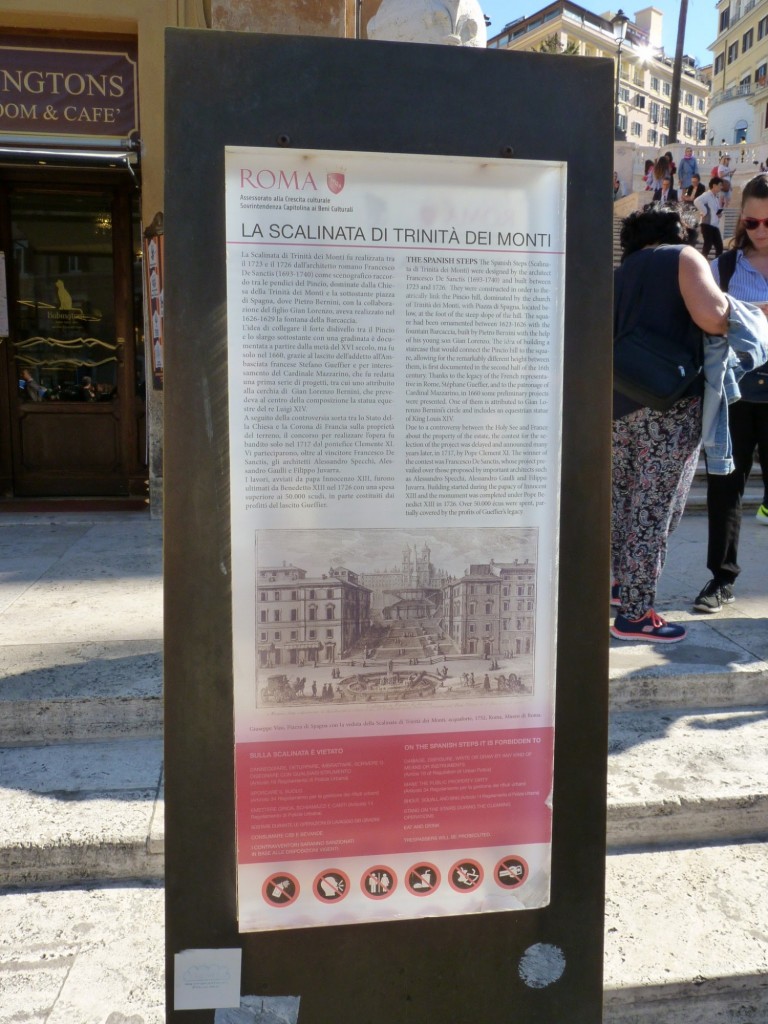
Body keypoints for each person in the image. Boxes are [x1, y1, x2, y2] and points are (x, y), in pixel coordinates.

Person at [611, 205, 729, 643]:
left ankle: (623, 590)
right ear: (678, 231)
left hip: (616, 404)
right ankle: (636, 616)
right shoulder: (682, 256)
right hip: (669, 406)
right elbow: (714, 316)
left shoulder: (619, 274)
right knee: (654, 509)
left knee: (623, 503)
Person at [694, 173, 768, 612]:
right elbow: (705, 318)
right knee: (725, 489)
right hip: (733, 392)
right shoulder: (723, 266)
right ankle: (721, 580)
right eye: (753, 222)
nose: (760, 231)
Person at [694, 177, 725, 258]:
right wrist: (704, 211)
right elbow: (696, 201)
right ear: (714, 185)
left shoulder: (715, 197)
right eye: (720, 185)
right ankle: (701, 263)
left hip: (714, 225)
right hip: (707, 224)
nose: (721, 187)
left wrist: (719, 214)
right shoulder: (707, 195)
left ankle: (717, 266)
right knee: (708, 244)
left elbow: (715, 210)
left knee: (719, 246)